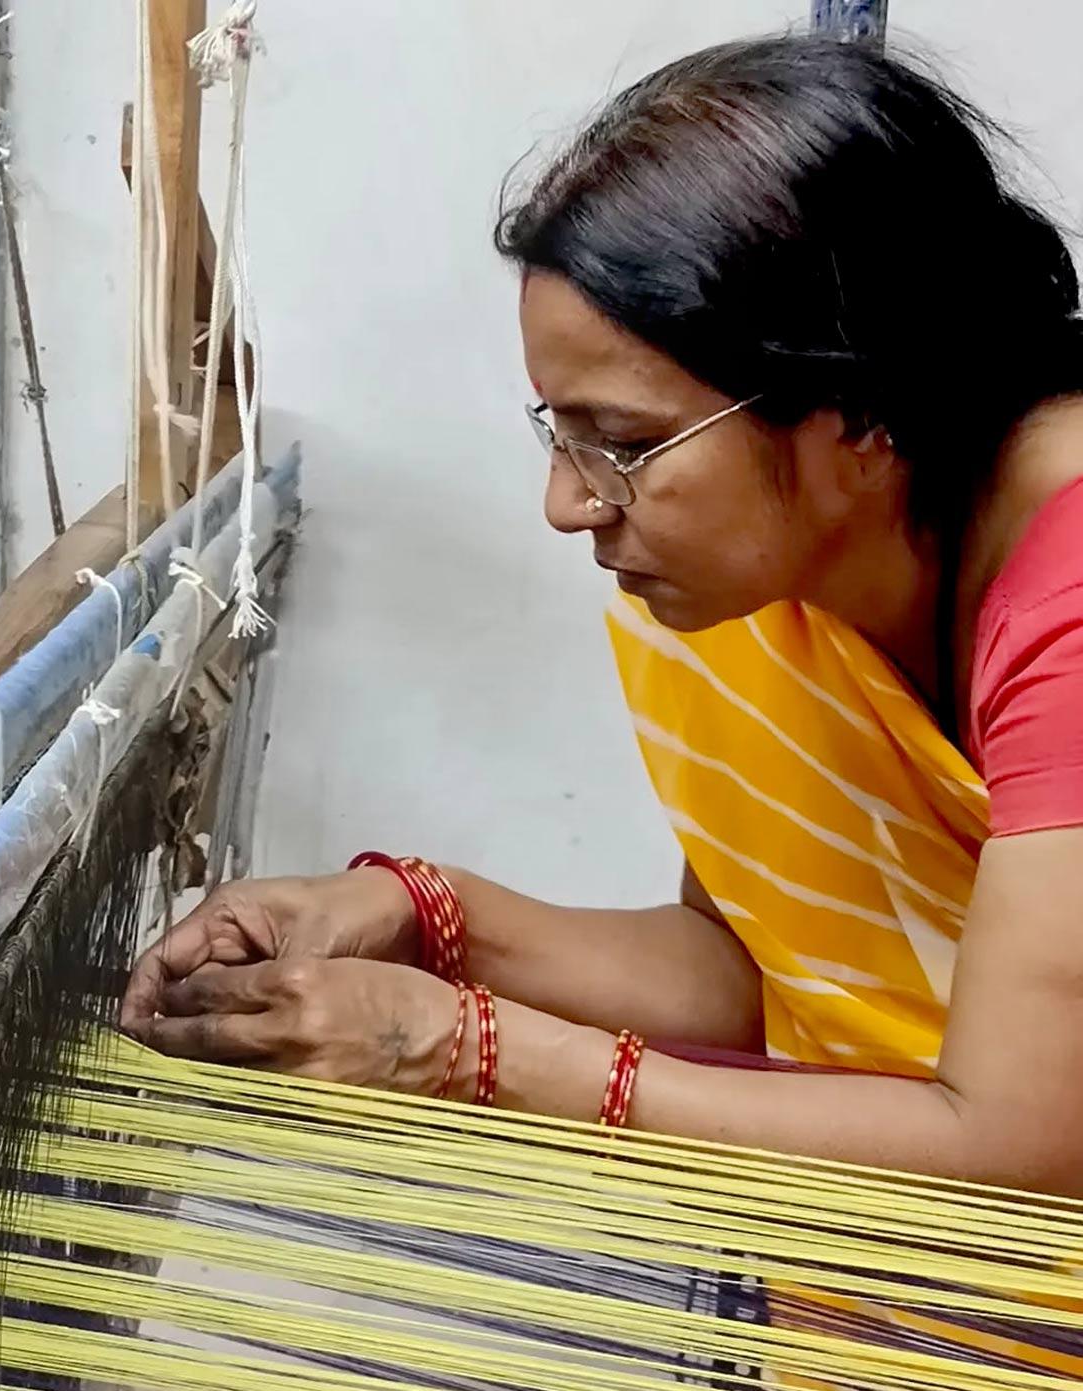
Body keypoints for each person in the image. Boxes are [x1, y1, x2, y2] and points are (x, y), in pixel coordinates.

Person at [122, 34, 1083, 1199]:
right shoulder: (792, 581)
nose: (568, 504)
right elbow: (745, 970)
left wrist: (466, 1051)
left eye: (624, 446)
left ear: (859, 412)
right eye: (560, 436)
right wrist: (419, 915)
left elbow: (1025, 1147)